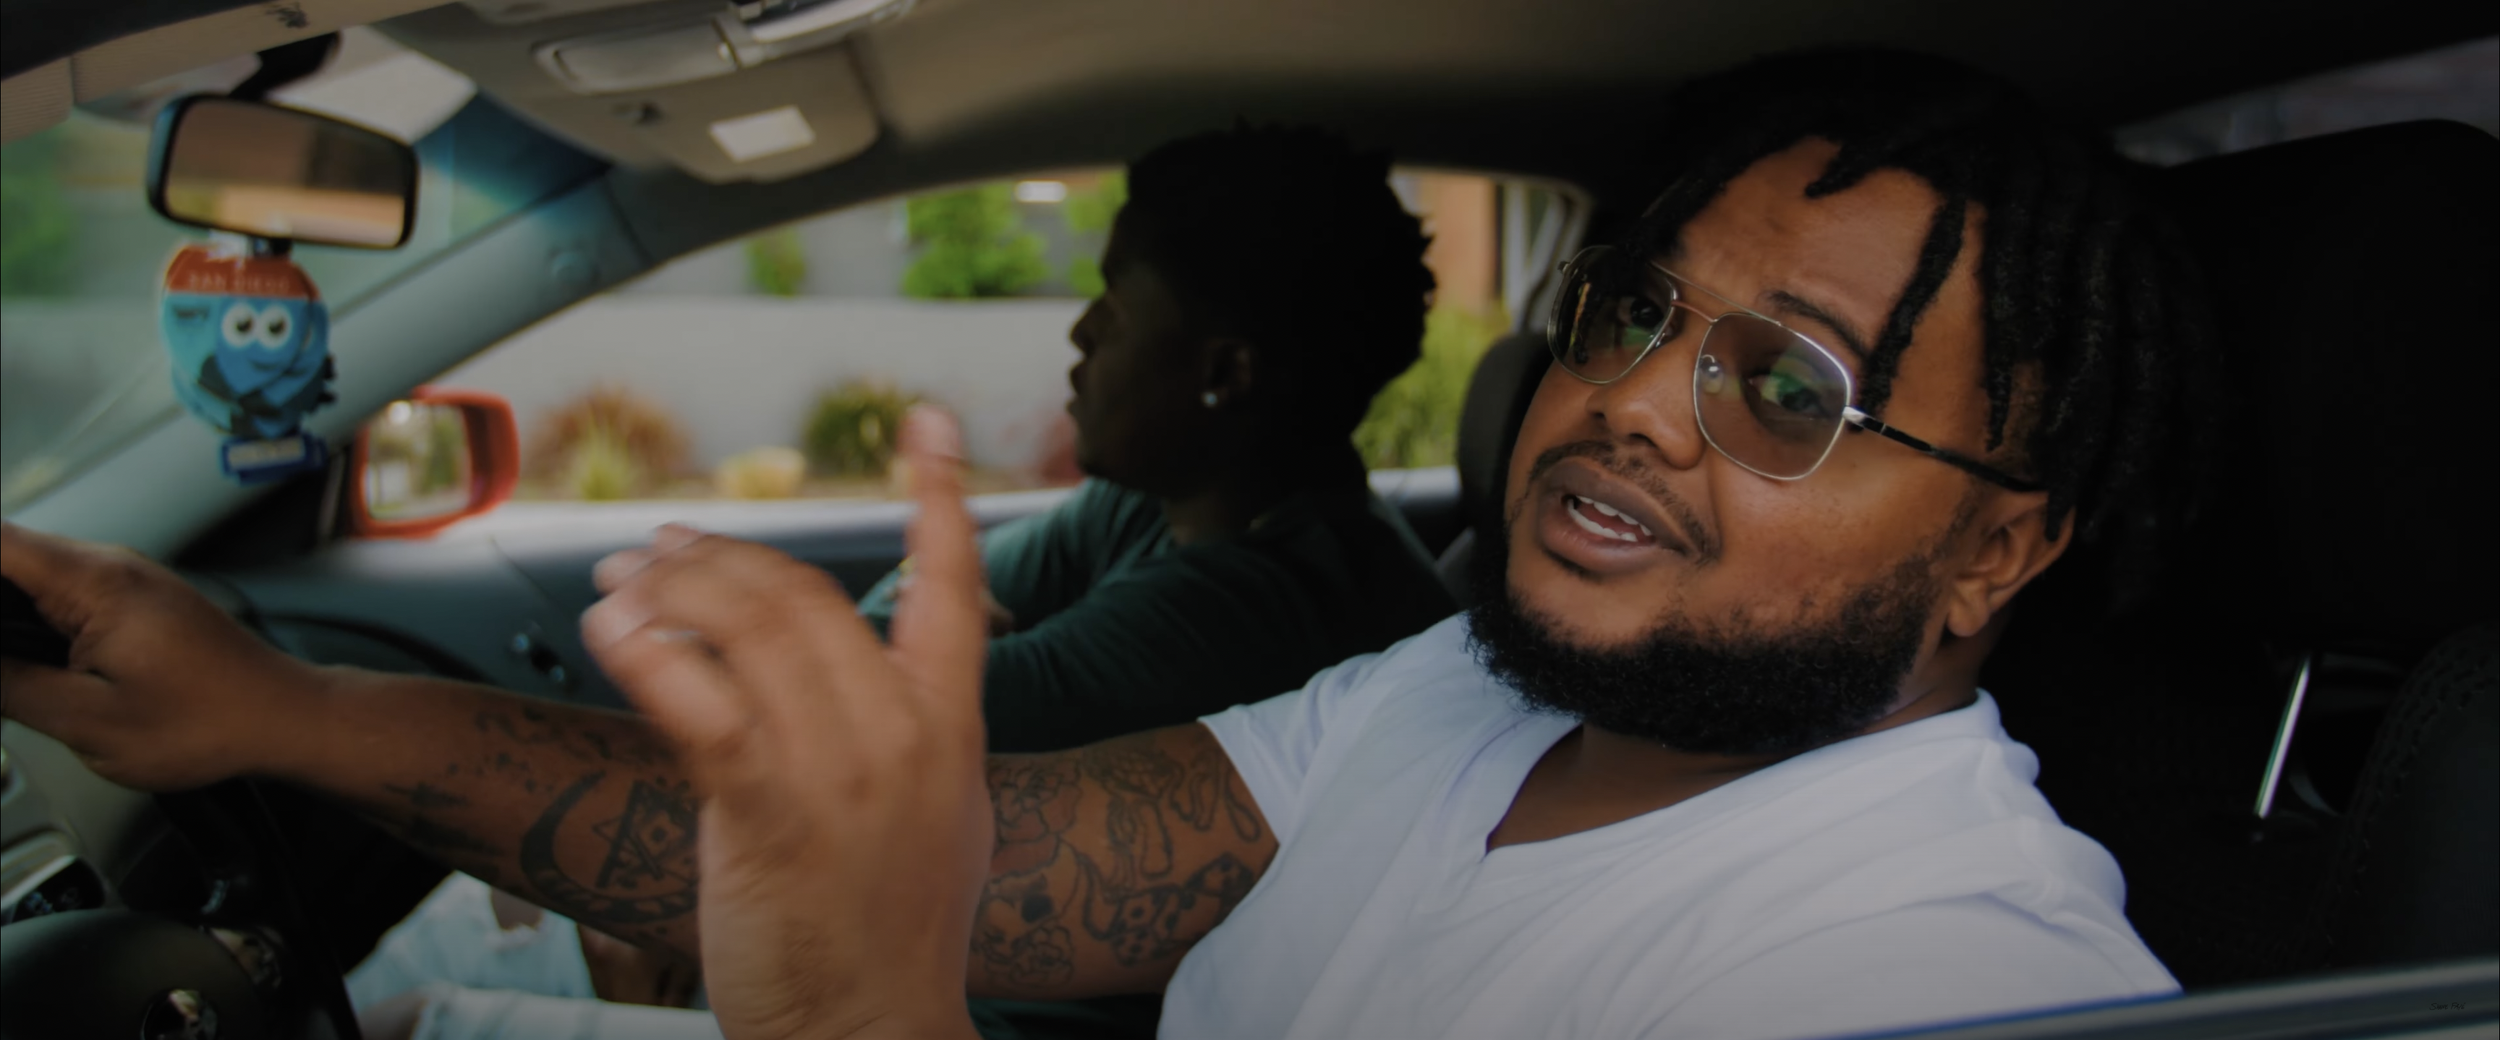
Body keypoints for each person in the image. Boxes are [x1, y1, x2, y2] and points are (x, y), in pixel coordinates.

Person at [1, 47, 2210, 1040]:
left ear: (1995, 552)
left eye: (1787, 386)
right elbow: (955, 854)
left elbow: (884, 937)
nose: (1631, 391)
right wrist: (268, 705)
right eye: (1633, 305)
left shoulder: (1936, 971)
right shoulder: (1447, 698)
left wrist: (862, 1010)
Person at [341, 124, 1456, 1039]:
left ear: (1224, 371)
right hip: (942, 967)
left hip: (1003, 1011)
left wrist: (289, 708)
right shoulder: (1154, 507)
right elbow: (897, 625)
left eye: (1115, 301)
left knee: (410, 1010)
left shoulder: (1258, 612)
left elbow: (848, 732)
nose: (1079, 330)